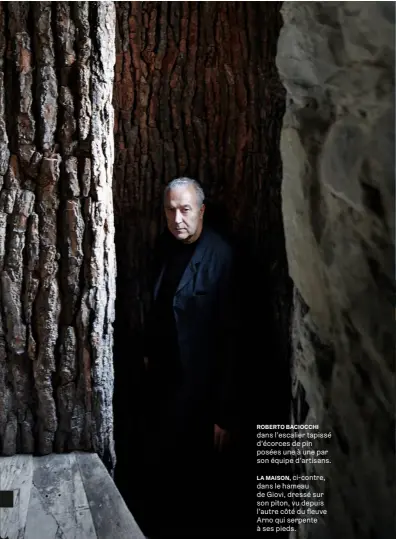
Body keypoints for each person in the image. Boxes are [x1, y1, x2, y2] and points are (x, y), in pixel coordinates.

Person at [141, 177, 240, 538]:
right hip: (166, 382)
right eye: (170, 210)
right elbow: (159, 307)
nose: (177, 218)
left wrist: (224, 413)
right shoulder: (166, 248)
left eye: (185, 210)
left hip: (202, 390)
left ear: (201, 211)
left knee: (198, 479)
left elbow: (233, 339)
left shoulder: (221, 257)